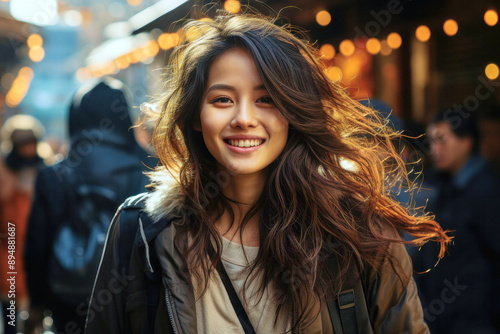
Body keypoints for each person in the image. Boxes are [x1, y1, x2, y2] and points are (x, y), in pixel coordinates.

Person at [86, 11, 450, 334]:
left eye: (266, 99)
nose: (244, 118)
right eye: (222, 99)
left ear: (293, 112)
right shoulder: (142, 233)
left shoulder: (357, 231)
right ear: (197, 115)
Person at [24, 77, 155, 333]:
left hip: (69, 299)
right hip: (136, 296)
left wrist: (37, 303)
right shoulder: (151, 168)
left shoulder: (53, 175)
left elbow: (37, 245)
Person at [413, 109, 500, 333]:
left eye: (441, 140)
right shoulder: (440, 187)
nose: (434, 149)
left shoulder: (486, 192)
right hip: (443, 320)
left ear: (466, 142)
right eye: (431, 141)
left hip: (477, 322)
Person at [0, 115, 45, 334]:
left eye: (31, 141)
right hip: (8, 245)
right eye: (22, 142)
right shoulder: (3, 169)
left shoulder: (45, 169)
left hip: (37, 246)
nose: (28, 147)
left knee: (36, 314)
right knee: (9, 306)